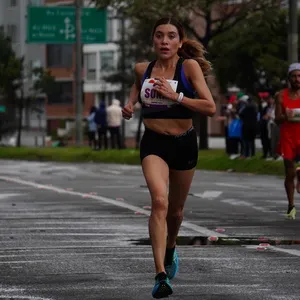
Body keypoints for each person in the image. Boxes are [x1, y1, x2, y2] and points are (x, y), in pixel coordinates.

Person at [122, 17, 216, 299]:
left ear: (180, 41)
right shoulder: (143, 69)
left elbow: (210, 107)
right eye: (159, 35)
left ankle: (172, 246)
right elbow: (135, 96)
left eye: (171, 36)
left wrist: (177, 97)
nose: (165, 41)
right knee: (159, 201)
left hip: (184, 143)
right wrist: (129, 106)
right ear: (153, 40)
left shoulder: (189, 67)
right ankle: (160, 274)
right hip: (153, 143)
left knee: (175, 212)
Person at [275, 63, 300, 220]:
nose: (297, 79)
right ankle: (291, 205)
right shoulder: (280, 95)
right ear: (289, 78)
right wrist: (286, 115)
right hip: (288, 137)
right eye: (294, 76)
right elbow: (277, 119)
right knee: (289, 173)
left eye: (299, 76)